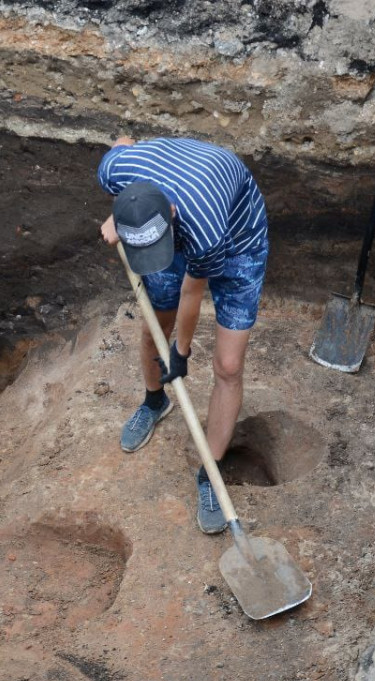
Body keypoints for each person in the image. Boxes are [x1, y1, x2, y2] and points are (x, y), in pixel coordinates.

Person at [97, 136, 269, 534]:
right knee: (154, 326)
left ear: (171, 214)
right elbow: (123, 142)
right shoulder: (114, 169)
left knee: (228, 365)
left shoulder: (204, 229)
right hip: (164, 220)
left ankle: (210, 473)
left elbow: (194, 290)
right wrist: (120, 214)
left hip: (239, 238)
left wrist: (181, 353)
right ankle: (155, 402)